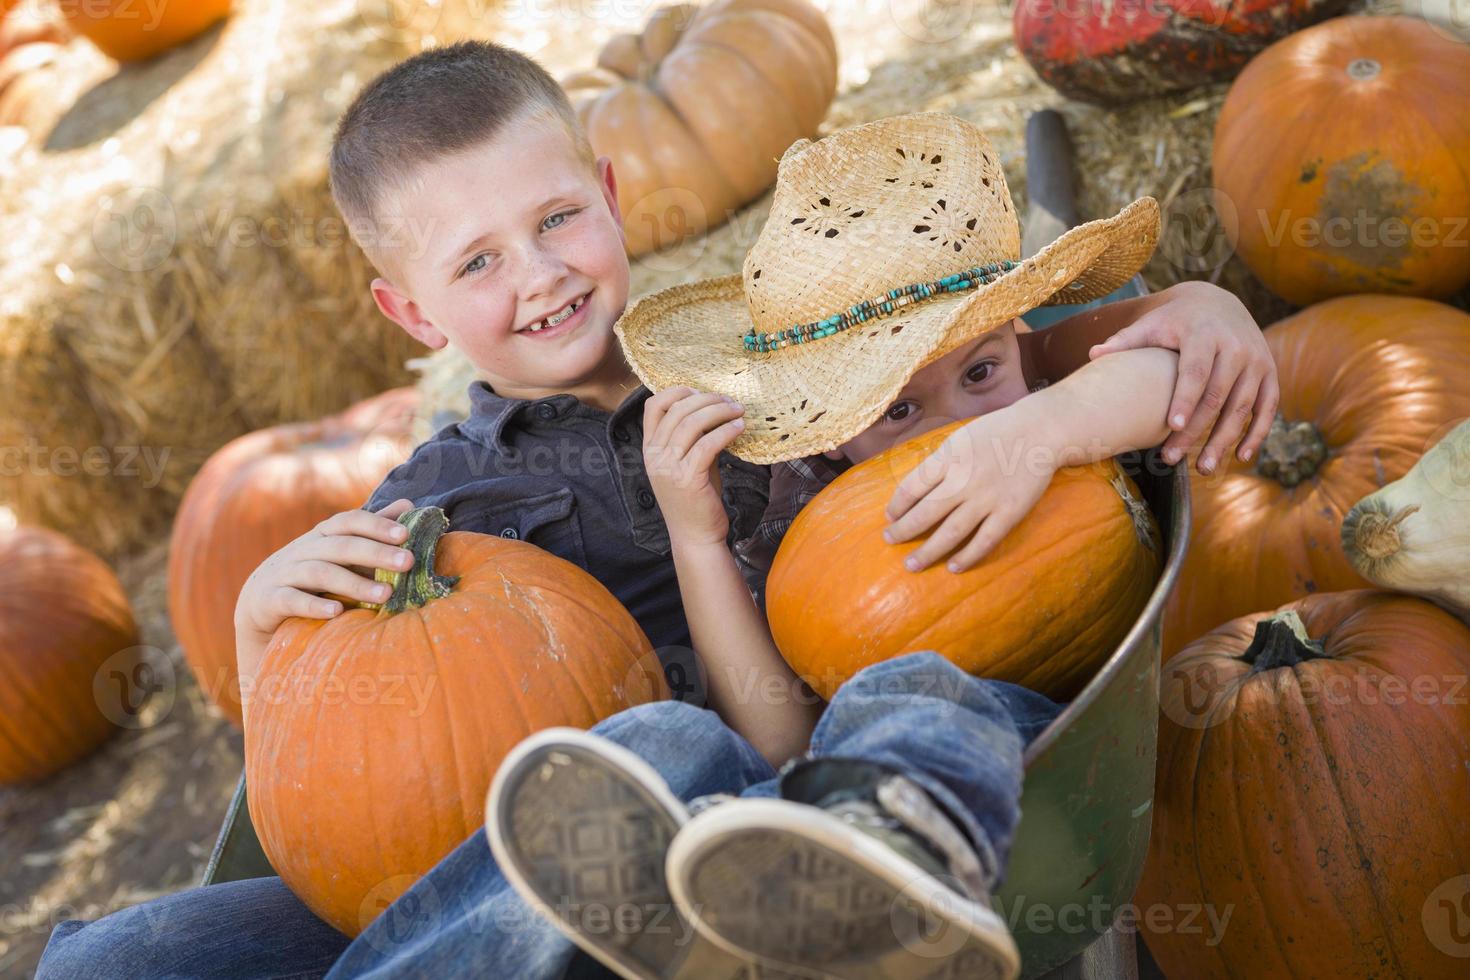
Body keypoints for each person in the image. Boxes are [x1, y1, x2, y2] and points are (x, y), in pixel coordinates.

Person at [36, 44, 1275, 980]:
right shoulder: (427, 510)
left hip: (739, 785)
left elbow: (1040, 351)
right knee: (118, 957)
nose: (540, 274)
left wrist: (1204, 316)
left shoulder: (782, 382)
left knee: (664, 750)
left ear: (614, 197)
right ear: (408, 317)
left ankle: (883, 869)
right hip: (487, 855)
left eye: (558, 218)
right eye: (475, 262)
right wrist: (259, 624)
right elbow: (324, 775)